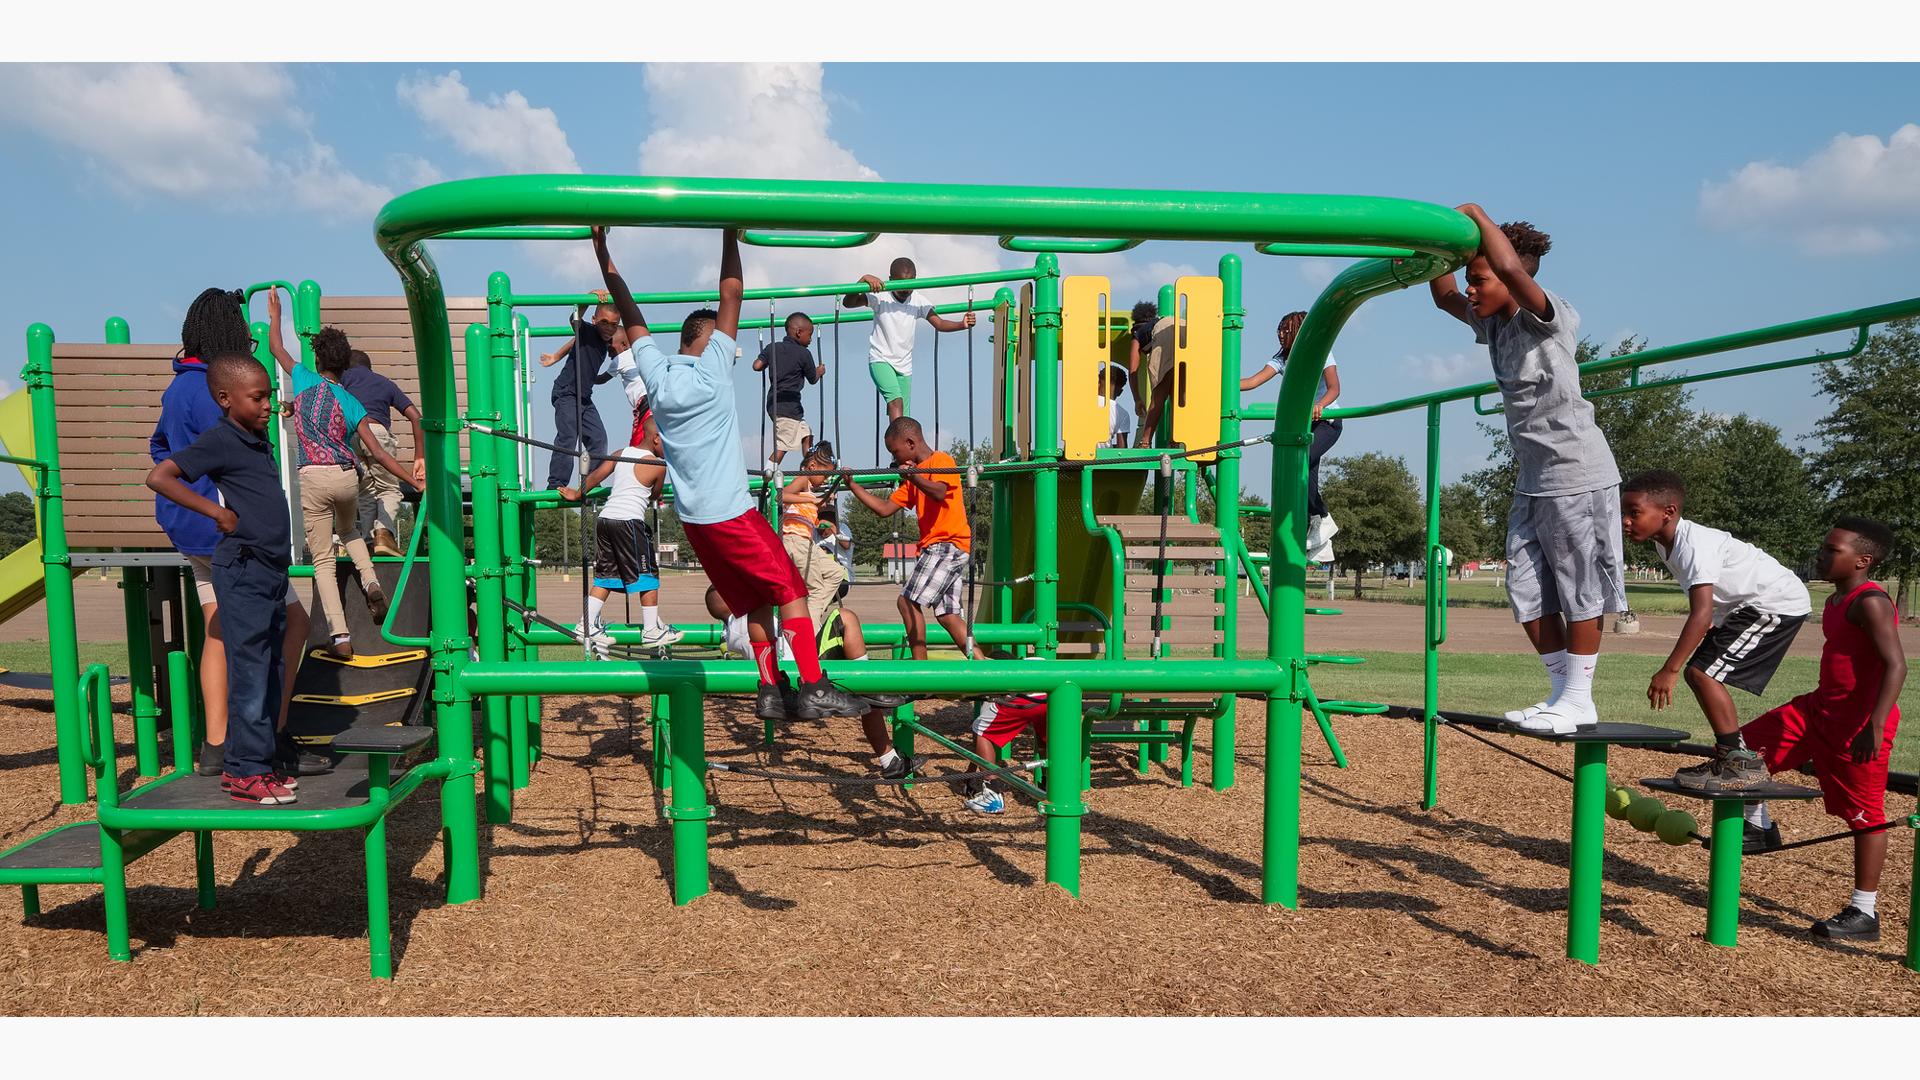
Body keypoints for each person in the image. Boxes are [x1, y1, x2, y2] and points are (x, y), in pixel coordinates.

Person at [589, 226, 867, 728]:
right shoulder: (714, 366)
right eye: (722, 336)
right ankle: (813, 684)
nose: (732, 346)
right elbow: (731, 291)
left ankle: (768, 687)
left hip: (695, 521)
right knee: (791, 592)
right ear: (708, 336)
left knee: (755, 602)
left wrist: (602, 250)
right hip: (731, 514)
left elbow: (628, 308)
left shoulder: (655, 371)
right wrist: (729, 233)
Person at [1429, 208, 1621, 734]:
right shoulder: (1492, 323)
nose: (1470, 289)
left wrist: (1472, 215)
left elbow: (1512, 271)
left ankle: (1581, 698)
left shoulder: (1548, 314)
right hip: (1535, 476)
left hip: (1577, 470)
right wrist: (1438, 250)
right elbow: (1442, 294)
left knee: (1580, 586)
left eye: (1479, 279)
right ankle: (1563, 693)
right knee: (1526, 587)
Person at [150, 289, 317, 778]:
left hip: (189, 530)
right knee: (287, 627)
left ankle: (218, 743)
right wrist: (216, 502)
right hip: (232, 535)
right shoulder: (216, 392)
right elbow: (232, 450)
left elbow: (159, 446)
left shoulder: (177, 387)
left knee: (220, 630)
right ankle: (269, 737)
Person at [1730, 518, 1906, 940]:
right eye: (1825, 547)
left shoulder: (1871, 602)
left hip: (1857, 727)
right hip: (1818, 710)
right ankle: (1760, 825)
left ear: (1862, 560)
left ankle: (1865, 913)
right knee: (1743, 747)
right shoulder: (1834, 602)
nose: (1822, 555)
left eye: (1833, 550)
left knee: (1865, 817)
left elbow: (1896, 664)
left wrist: (1875, 726)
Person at [1621, 470, 1812, 790]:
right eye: (1624, 513)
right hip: (1744, 608)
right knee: (1699, 673)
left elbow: (1701, 612)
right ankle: (1732, 758)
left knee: (1700, 674)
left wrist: (1669, 668)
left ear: (1668, 512)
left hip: (1775, 603)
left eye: (1634, 513)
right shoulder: (1663, 545)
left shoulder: (1694, 545)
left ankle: (1740, 762)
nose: (1625, 521)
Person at [265, 292, 417, 659]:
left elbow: (276, 348)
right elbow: (378, 453)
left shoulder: (302, 379)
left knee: (322, 560)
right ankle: (371, 582)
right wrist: (412, 479)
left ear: (317, 359)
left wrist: (275, 314)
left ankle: (340, 637)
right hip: (347, 475)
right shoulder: (351, 401)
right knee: (349, 531)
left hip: (314, 477)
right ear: (345, 365)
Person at [705, 582, 910, 778]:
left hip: (779, 677)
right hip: (803, 672)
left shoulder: (732, 630)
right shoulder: (751, 615)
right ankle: (870, 686)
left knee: (862, 689)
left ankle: (889, 758)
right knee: (845, 617)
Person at [844, 416, 987, 661]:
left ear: (910, 443)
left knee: (907, 602)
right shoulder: (914, 478)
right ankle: (983, 666)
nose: (894, 458)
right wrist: (854, 486)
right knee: (947, 615)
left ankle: (919, 671)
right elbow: (885, 508)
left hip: (947, 544)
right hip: (945, 547)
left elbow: (940, 492)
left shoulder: (940, 460)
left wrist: (913, 476)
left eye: (894, 451)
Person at [559, 411, 681, 654]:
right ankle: (651, 630)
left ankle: (586, 624)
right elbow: (655, 495)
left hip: (605, 520)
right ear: (656, 439)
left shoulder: (620, 453)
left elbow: (595, 476)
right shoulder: (657, 465)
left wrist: (577, 493)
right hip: (628, 522)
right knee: (648, 575)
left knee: (606, 575)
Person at [1240, 311, 1342, 555]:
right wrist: (1216, 383)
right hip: (1303, 425)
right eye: (1279, 329)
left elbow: (1334, 388)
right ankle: (1321, 537)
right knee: (1306, 475)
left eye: (1286, 330)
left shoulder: (1321, 352)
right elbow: (1252, 382)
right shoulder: (1283, 359)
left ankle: (1322, 517)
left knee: (1300, 463)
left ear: (1299, 330)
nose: (1280, 334)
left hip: (1326, 422)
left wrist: (1321, 405)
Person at [842, 257, 977, 420]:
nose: (906, 291)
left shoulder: (918, 300)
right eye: (901, 286)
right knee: (896, 401)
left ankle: (898, 444)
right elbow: (848, 303)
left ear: (915, 280)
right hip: (881, 359)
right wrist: (862, 281)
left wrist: (961, 324)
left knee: (904, 416)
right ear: (891, 280)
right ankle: (899, 441)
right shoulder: (881, 296)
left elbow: (939, 323)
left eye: (909, 286)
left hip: (904, 366)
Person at [340, 349, 427, 556]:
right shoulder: (384, 383)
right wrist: (419, 456)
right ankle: (383, 533)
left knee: (366, 492)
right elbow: (416, 417)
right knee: (389, 489)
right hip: (377, 433)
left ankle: (369, 542)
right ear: (369, 368)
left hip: (351, 435)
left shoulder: (342, 380)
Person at [537, 291, 618, 489]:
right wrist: (588, 299)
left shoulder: (606, 338)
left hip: (584, 397)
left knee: (599, 439)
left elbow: (575, 341)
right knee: (568, 436)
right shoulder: (588, 329)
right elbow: (575, 319)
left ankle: (591, 481)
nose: (608, 328)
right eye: (604, 322)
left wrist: (557, 355)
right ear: (594, 319)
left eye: (614, 324)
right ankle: (556, 483)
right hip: (566, 392)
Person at [962, 650, 1049, 815]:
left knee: (980, 730)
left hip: (1023, 700)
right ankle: (1050, 785)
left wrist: (971, 772)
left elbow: (981, 739)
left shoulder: (998, 691)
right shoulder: (1030, 665)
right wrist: (970, 771)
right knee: (1045, 739)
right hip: (1049, 696)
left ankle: (992, 792)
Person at [777, 441, 848, 626]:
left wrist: (817, 501)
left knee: (837, 573)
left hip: (806, 543)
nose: (824, 481)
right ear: (812, 466)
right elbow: (780, 496)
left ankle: (811, 612)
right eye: (824, 475)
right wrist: (808, 499)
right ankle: (810, 630)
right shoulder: (803, 479)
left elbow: (815, 506)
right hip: (793, 540)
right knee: (815, 590)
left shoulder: (811, 494)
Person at [753, 312, 824, 466]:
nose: (811, 339)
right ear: (799, 332)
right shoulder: (804, 353)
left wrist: (769, 361)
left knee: (807, 435)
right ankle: (767, 476)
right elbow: (813, 379)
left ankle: (811, 470)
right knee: (783, 445)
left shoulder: (772, 347)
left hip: (775, 403)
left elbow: (757, 365)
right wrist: (819, 371)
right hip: (788, 407)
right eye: (809, 335)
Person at [1127, 301, 1175, 449]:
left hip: (1165, 335)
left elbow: (1133, 368)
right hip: (1182, 326)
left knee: (1159, 394)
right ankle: (1176, 440)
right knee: (1179, 393)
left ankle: (1145, 441)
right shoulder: (1159, 321)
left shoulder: (1139, 332)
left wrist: (1137, 399)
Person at [1103, 362, 1135, 450]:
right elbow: (1122, 448)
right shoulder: (1122, 413)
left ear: (1097, 383)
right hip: (1103, 459)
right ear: (1120, 392)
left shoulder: (1082, 405)